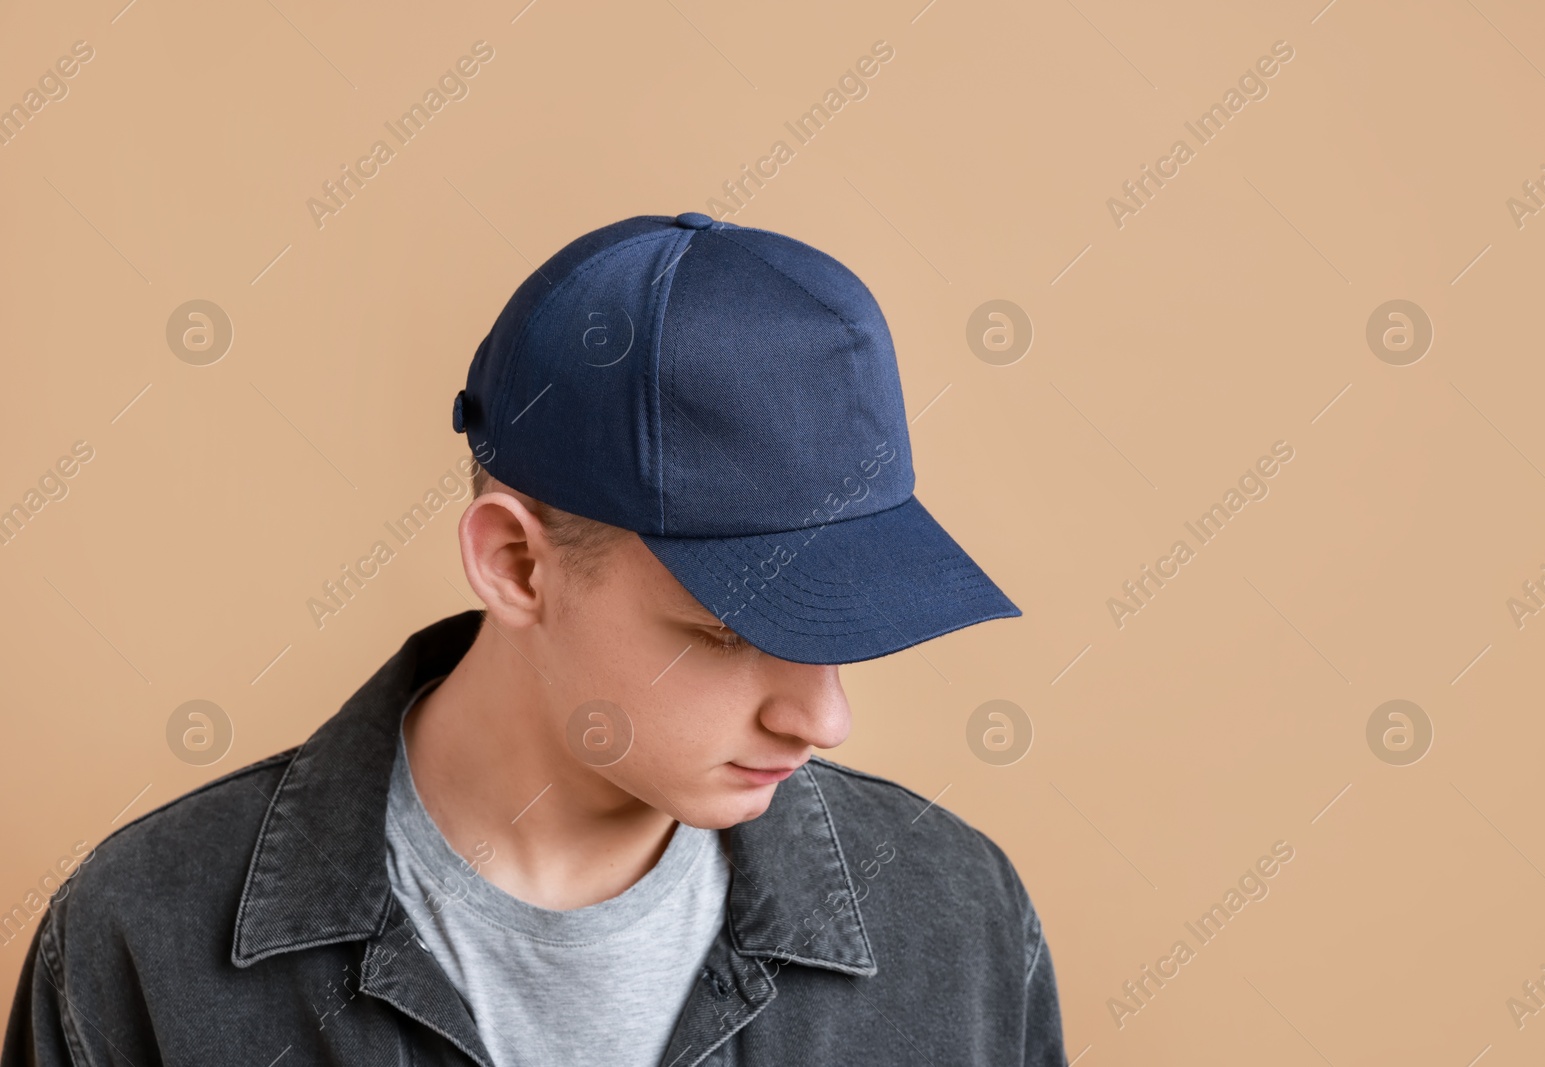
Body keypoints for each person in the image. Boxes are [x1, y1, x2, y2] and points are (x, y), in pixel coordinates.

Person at [3, 212, 1067, 1066]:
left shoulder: (958, 922)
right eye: (730, 631)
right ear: (516, 563)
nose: (823, 716)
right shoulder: (142, 937)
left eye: (843, 624)